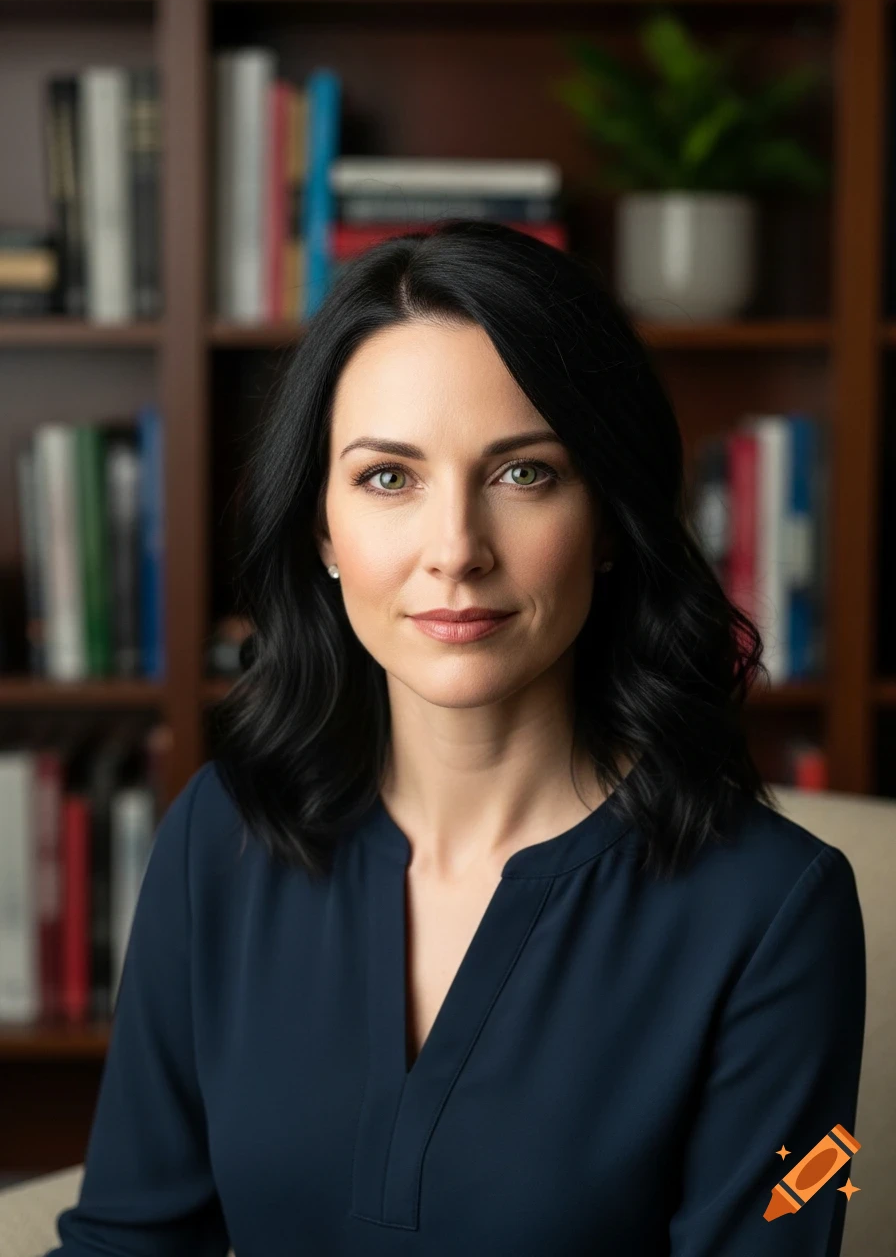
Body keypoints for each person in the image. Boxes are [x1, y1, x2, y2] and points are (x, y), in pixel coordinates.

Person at [46, 220, 865, 1256]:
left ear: (609, 518)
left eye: (523, 474)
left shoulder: (772, 911)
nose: (455, 552)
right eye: (389, 477)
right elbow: (126, 1240)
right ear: (321, 528)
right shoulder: (223, 836)